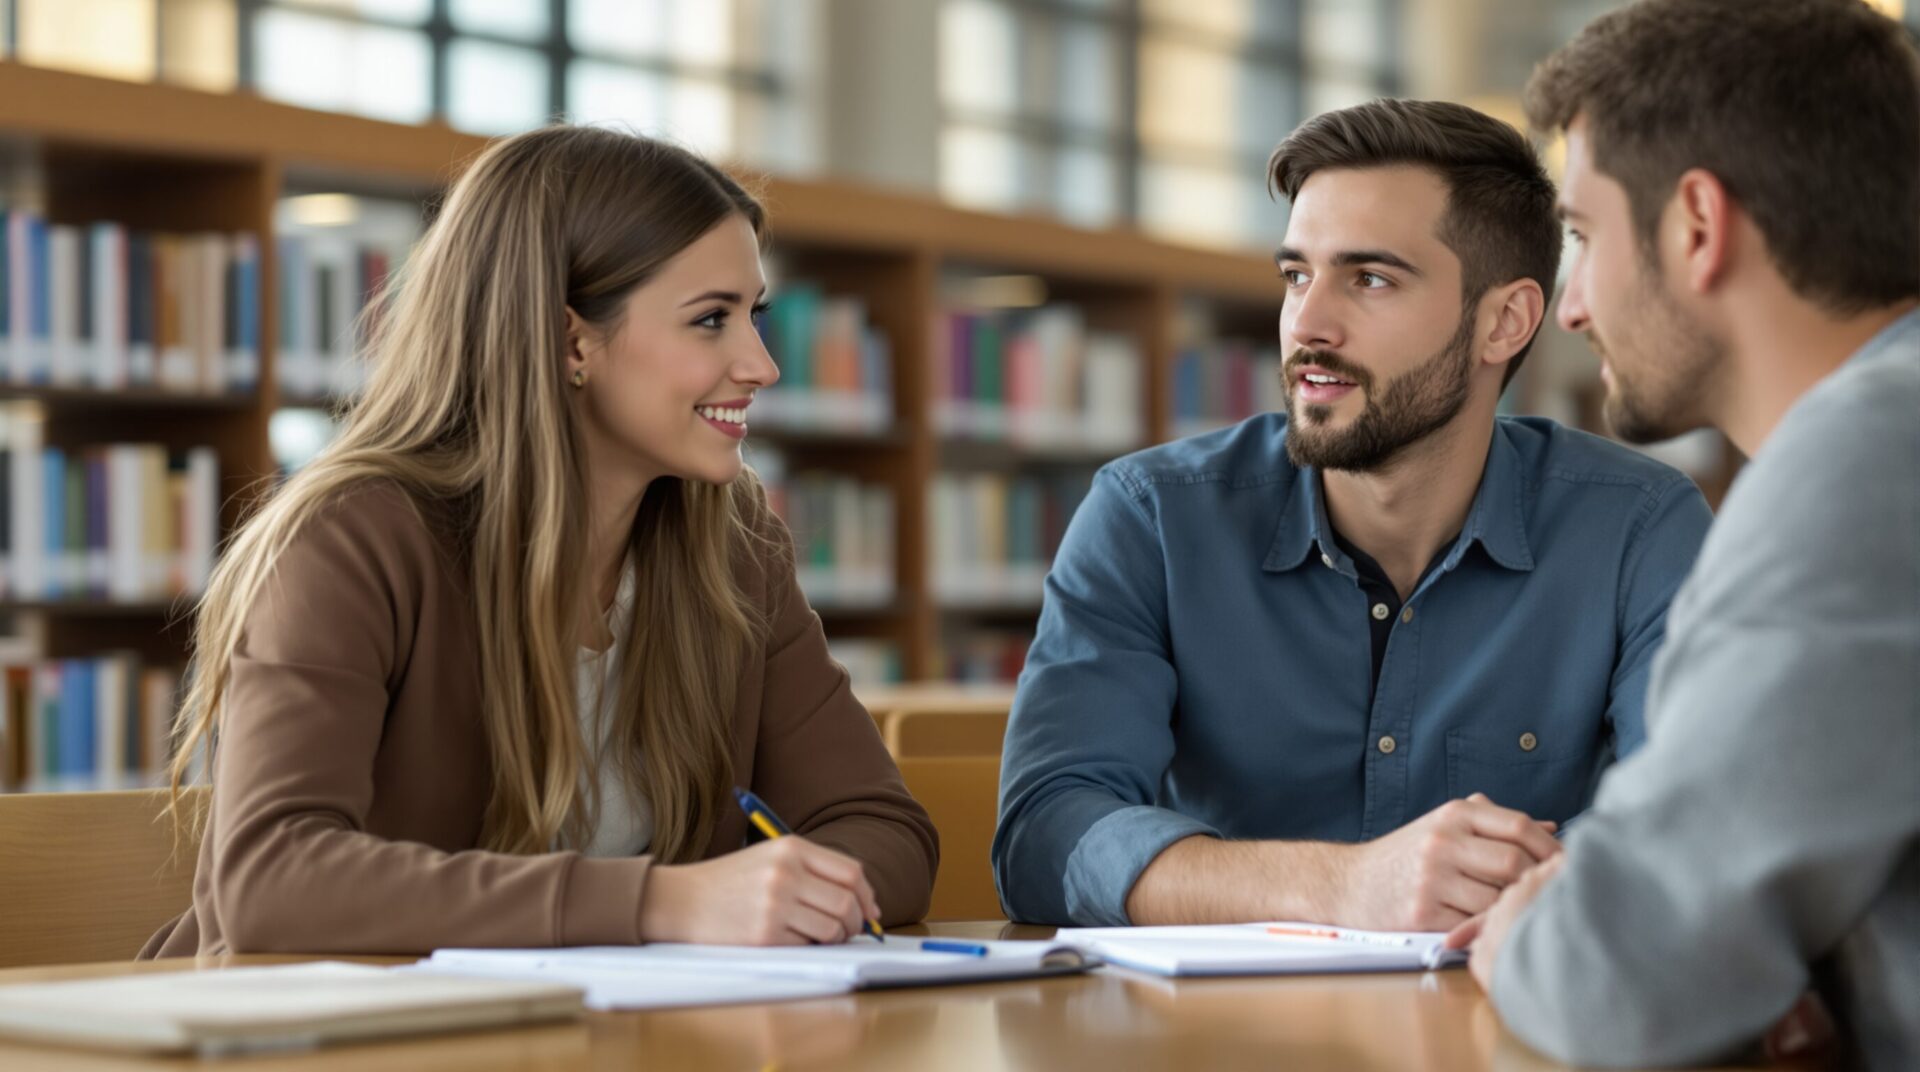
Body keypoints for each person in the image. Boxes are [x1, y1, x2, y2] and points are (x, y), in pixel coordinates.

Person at [141, 127, 937, 957]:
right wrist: (660, 904)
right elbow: (272, 880)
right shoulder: (351, 540)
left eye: (754, 316)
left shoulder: (736, 548)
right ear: (569, 343)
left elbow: (885, 831)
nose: (761, 365)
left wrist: (780, 896)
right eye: (711, 321)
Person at [993, 99, 1713, 930]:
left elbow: (1693, 825)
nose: (1309, 325)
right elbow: (1044, 838)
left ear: (1504, 322)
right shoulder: (1150, 519)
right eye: (1297, 275)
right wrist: (1340, 886)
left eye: (1369, 279)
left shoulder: (1640, 529)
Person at [1450, 1, 1920, 1068]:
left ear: (1698, 226)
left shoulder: (1864, 459)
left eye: (1580, 236)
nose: (1568, 306)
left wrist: (1534, 921)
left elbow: (1622, 981)